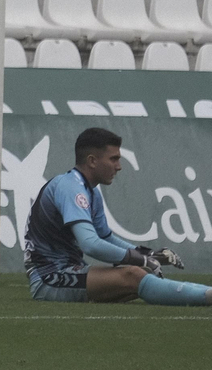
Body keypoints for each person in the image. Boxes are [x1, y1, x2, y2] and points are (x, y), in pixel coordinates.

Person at [23, 127, 208, 306]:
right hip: (49, 278)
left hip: (68, 271)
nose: (118, 167)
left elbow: (105, 238)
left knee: (141, 273)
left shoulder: (91, 192)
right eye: (114, 159)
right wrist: (140, 259)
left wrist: (148, 254)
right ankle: (206, 296)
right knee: (134, 275)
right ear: (92, 161)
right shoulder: (70, 187)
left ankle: (205, 293)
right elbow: (90, 244)